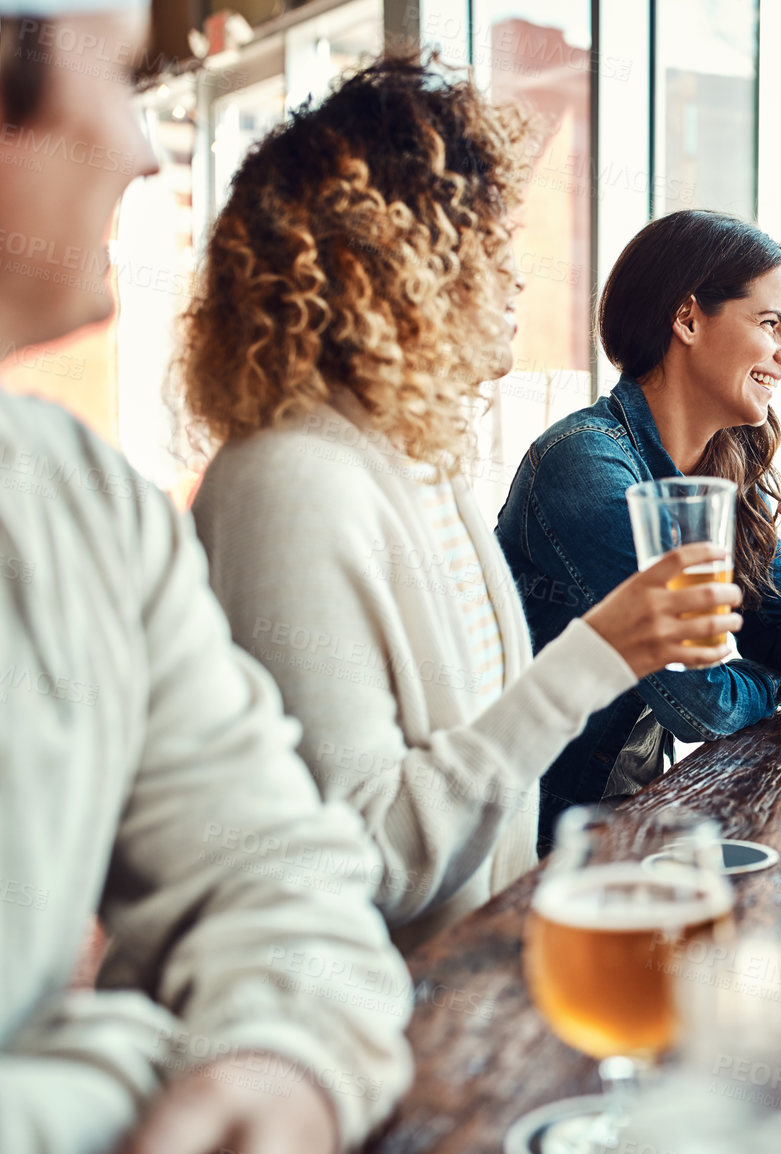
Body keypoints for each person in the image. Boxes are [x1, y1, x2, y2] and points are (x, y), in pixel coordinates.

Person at [183, 59, 744, 950]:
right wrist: (601, 654)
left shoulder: (420, 462)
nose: (514, 278)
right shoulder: (287, 487)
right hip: (350, 1038)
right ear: (396, 269)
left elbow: (480, 780)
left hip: (467, 983)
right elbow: (377, 858)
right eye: (486, 245)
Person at [0, 6, 413, 1151]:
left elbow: (280, 870)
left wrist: (277, 1049)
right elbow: (387, 835)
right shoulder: (290, 480)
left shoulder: (82, 501)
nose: (141, 146)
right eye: (121, 72)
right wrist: (130, 1069)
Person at [496, 209, 781, 841]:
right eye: (770, 324)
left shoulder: (726, 473)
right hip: (539, 840)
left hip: (633, 817)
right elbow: (699, 703)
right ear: (686, 319)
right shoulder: (584, 465)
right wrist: (772, 683)